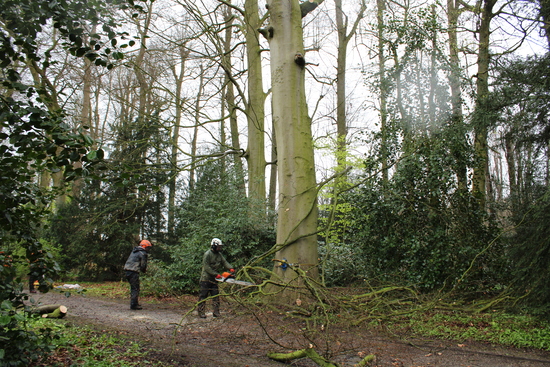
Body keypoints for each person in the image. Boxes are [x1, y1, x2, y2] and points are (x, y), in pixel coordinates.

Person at [198, 238, 234, 318]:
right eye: (218, 247)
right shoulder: (207, 254)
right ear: (214, 246)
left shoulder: (219, 254)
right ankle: (201, 312)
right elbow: (206, 267)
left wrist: (230, 268)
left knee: (215, 296)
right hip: (206, 279)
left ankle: (216, 312)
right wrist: (215, 274)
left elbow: (224, 262)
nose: (220, 248)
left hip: (214, 279)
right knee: (203, 296)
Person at [123, 239, 152, 310]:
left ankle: (135, 303)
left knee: (134, 287)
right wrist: (144, 271)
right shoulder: (143, 253)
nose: (149, 249)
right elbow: (143, 265)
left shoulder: (134, 251)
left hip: (127, 270)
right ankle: (133, 305)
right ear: (145, 247)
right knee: (135, 288)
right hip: (133, 271)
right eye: (148, 247)